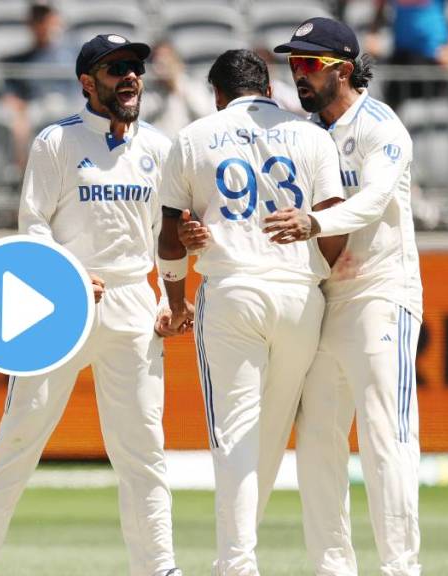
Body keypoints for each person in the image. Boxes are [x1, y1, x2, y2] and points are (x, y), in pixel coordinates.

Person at [0, 34, 186, 576]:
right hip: (60, 306)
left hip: (132, 305)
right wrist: (67, 276)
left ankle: (159, 566)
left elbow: (160, 234)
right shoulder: (56, 143)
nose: (131, 78)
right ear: (87, 82)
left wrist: (168, 289)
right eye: (117, 69)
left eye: (135, 68)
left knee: (143, 447)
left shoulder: (157, 146)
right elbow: (31, 223)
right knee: (21, 432)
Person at [157, 48, 345, 575]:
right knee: (269, 432)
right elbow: (334, 221)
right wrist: (321, 278)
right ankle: (236, 559)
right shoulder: (310, 134)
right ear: (266, 86)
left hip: (233, 288)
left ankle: (237, 564)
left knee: (235, 434)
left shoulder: (195, 135)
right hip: (298, 293)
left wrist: (175, 303)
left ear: (217, 93)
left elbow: (171, 237)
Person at [261, 17, 424, 576]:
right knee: (318, 443)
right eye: (292, 64)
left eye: (309, 64)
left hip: (380, 291)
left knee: (387, 435)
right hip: (323, 298)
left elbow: (374, 202)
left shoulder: (382, 126)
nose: (298, 75)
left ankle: (401, 568)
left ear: (345, 70)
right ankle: (333, 568)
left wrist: (310, 223)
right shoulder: (306, 135)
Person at [0, 0, 80, 168]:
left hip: (72, 106)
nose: (41, 23)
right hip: (35, 110)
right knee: (18, 123)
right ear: (29, 23)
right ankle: (24, 177)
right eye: (37, 18)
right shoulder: (18, 60)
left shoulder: (74, 54)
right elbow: (11, 96)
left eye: (45, 17)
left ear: (56, 19)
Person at [366, 0, 448, 104]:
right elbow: (380, 7)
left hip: (435, 59)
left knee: (435, 116)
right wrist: (374, 33)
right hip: (401, 58)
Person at [141, 40, 214, 137]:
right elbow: (142, 118)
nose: (161, 64)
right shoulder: (148, 90)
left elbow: (205, 113)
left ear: (176, 61)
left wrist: (176, 86)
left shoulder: (192, 86)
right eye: (157, 59)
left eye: (166, 59)